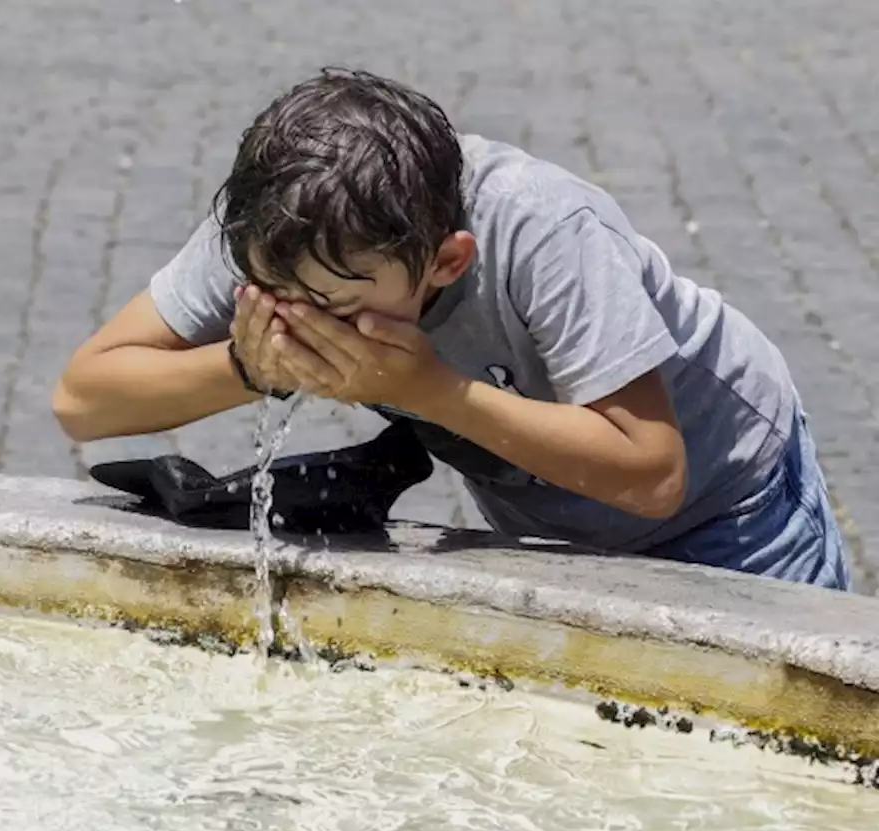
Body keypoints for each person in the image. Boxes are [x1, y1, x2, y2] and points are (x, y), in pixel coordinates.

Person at [52, 68, 851, 591]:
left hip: (731, 507)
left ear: (444, 262)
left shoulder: (545, 229)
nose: (299, 317)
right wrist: (248, 366)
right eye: (272, 290)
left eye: (333, 303)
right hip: (551, 520)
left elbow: (652, 473)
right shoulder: (284, 230)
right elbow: (83, 401)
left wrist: (430, 390)